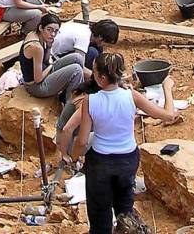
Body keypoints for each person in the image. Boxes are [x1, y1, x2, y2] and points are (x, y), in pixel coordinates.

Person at [71, 53, 180, 233]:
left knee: (99, 212)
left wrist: (73, 157)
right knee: (125, 209)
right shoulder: (132, 96)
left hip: (101, 162)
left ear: (101, 78)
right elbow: (169, 115)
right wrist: (167, 88)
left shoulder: (90, 101)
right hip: (128, 160)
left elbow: (82, 141)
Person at [19, 14, 84, 102]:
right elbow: (38, 79)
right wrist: (51, 66)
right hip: (36, 87)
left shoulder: (35, 34)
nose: (53, 34)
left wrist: (49, 47)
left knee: (77, 57)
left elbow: (45, 61)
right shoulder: (36, 47)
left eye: (56, 31)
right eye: (49, 30)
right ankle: (70, 106)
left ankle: (68, 92)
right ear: (41, 28)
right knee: (76, 70)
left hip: (44, 73)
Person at [51, 19, 120, 77]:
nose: (104, 46)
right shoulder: (83, 38)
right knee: (92, 53)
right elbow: (80, 65)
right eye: (106, 43)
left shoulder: (86, 29)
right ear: (100, 37)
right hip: (53, 59)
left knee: (97, 49)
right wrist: (98, 78)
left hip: (61, 51)